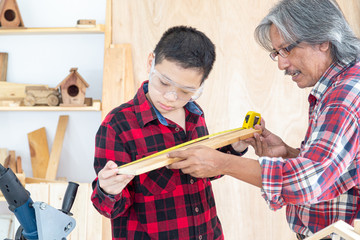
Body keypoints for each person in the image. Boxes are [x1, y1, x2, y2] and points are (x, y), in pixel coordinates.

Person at [167, 0, 360, 239]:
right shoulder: (339, 87)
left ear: (323, 40)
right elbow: (337, 169)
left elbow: (309, 182)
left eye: (287, 50)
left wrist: (221, 163)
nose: (281, 64)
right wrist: (288, 153)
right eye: (276, 53)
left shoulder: (345, 95)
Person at [91, 26, 248, 240]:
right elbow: (109, 209)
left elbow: (207, 172)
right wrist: (107, 190)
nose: (171, 97)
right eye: (164, 83)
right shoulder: (117, 126)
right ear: (150, 63)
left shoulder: (195, 114)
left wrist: (236, 148)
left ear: (200, 84)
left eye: (185, 91)